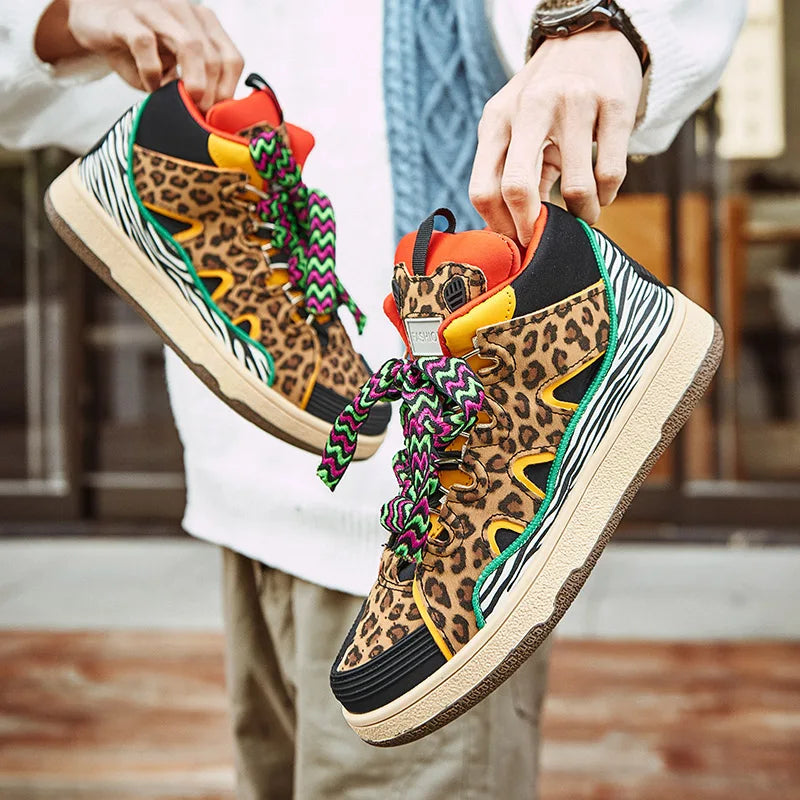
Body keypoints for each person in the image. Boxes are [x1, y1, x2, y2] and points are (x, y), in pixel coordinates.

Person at [0, 0, 745, 797]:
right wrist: (65, 15)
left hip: (412, 544)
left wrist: (595, 27)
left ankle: (567, 319)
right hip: (241, 485)